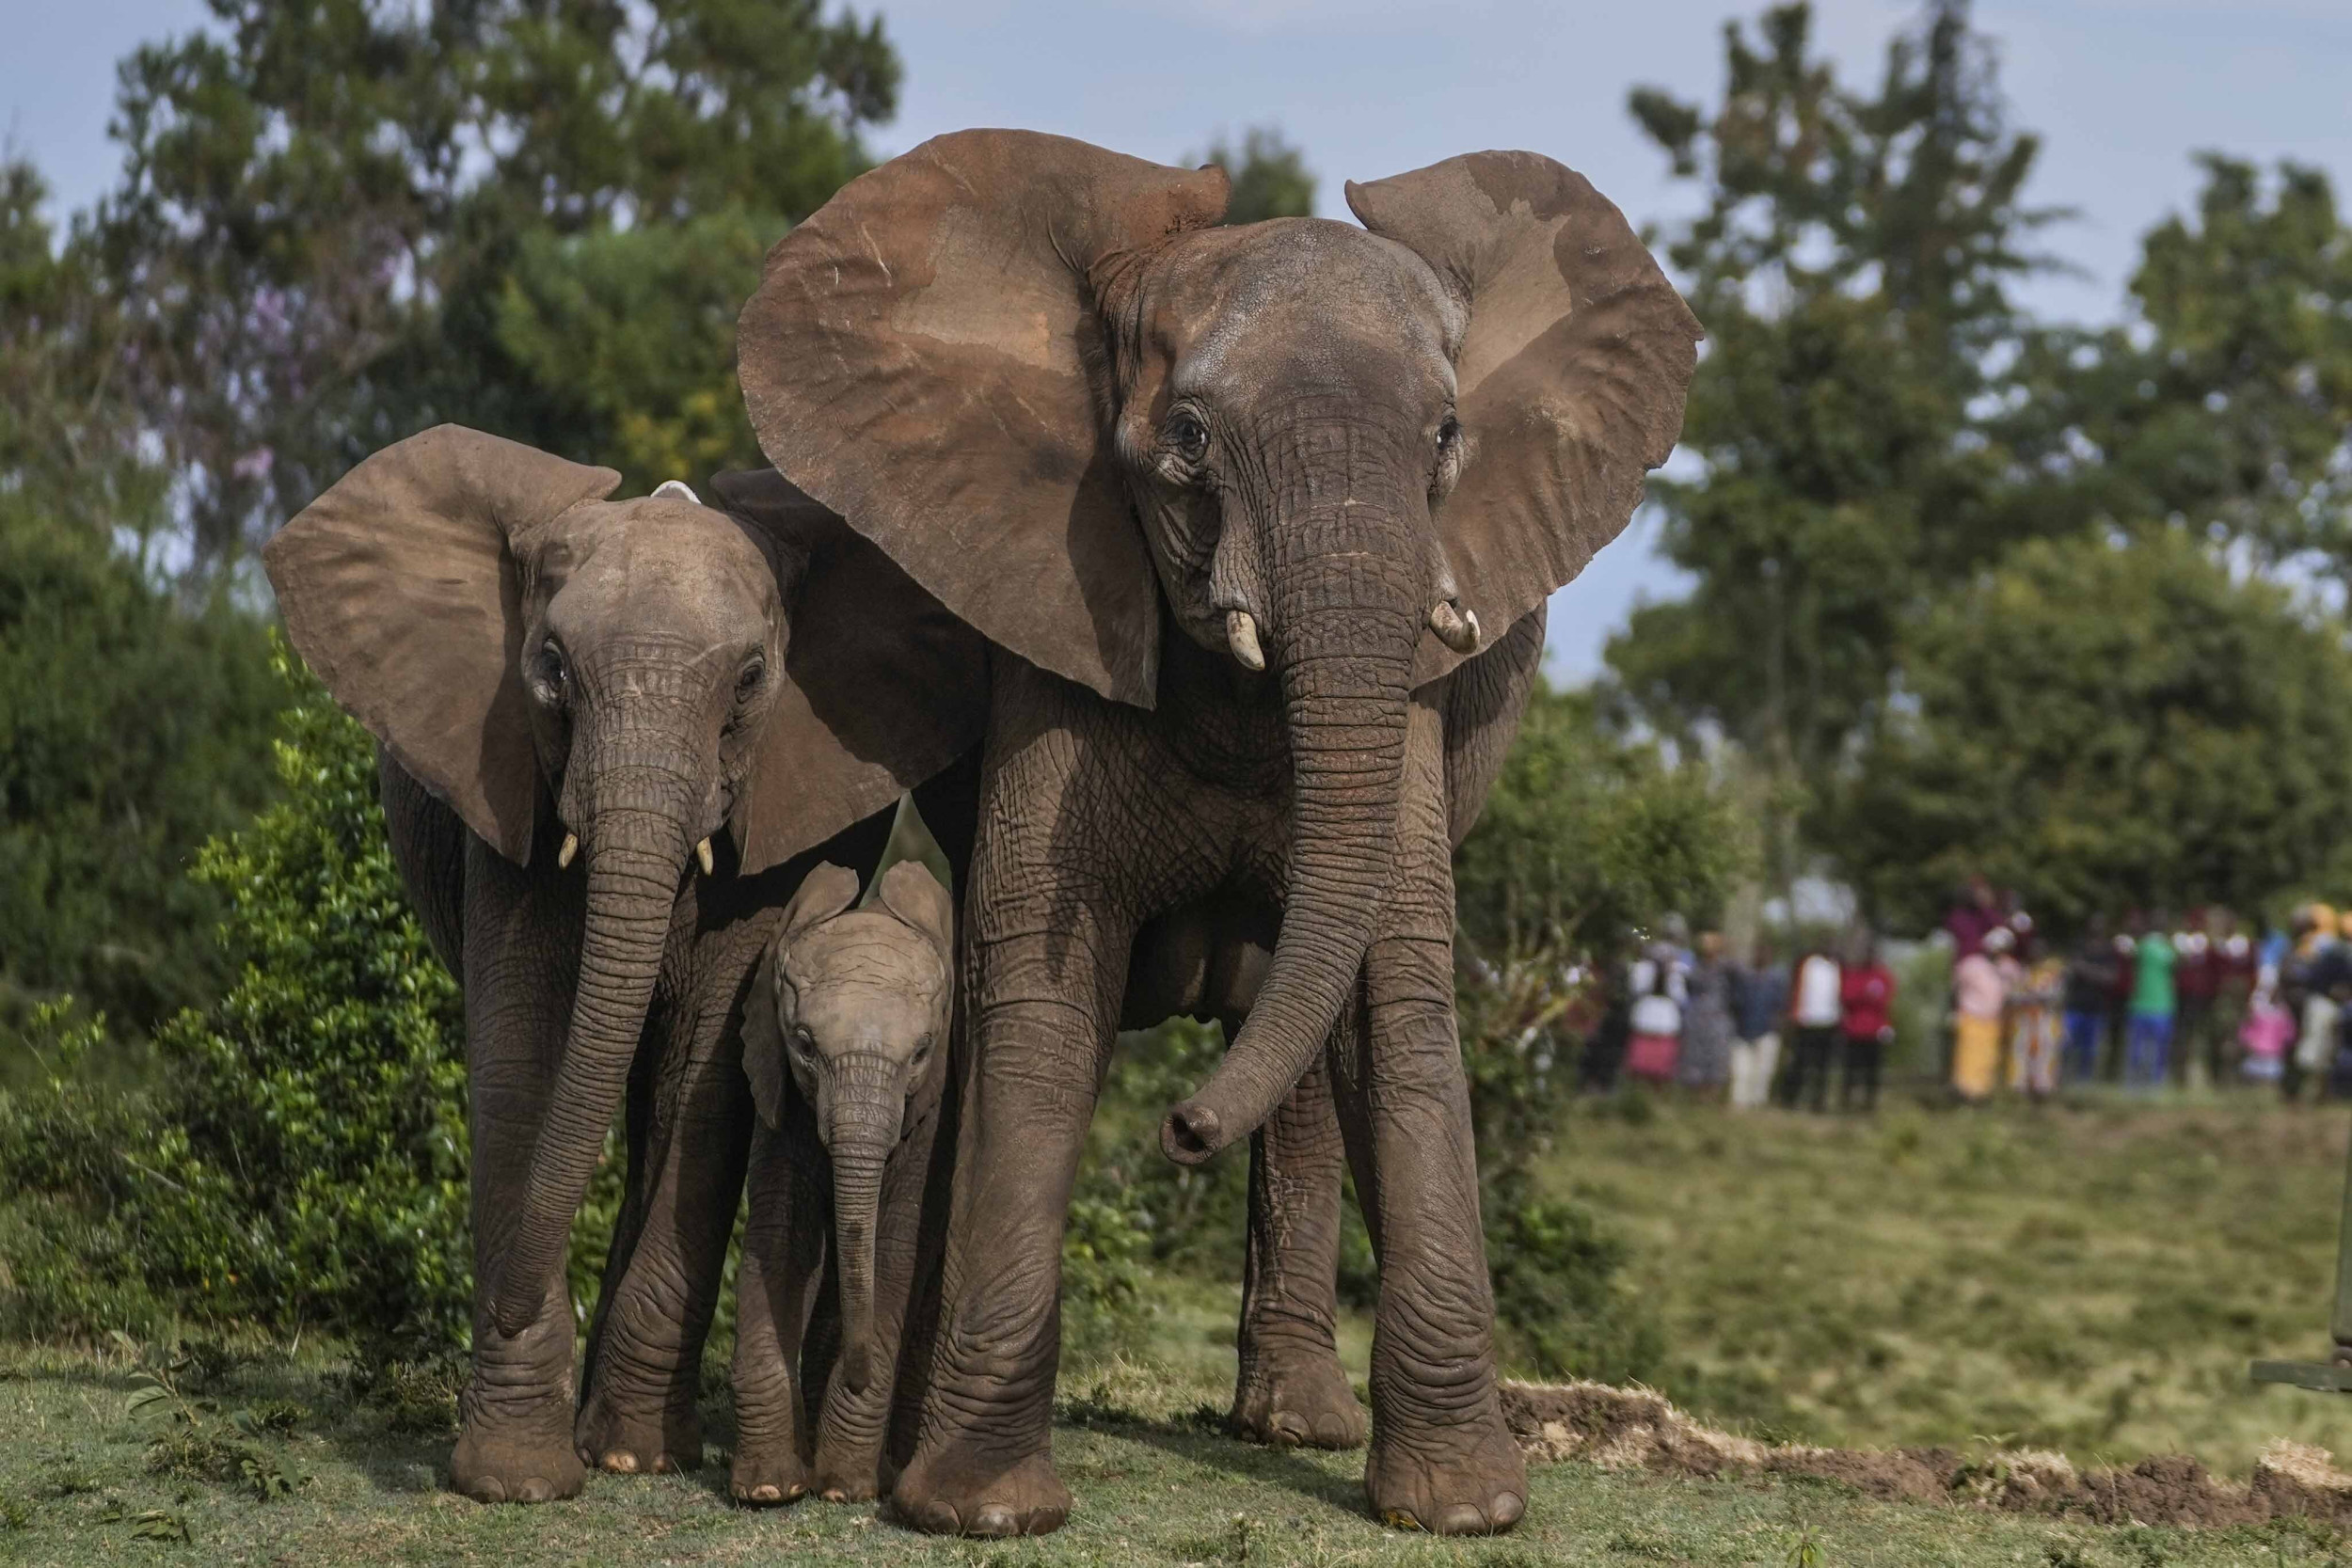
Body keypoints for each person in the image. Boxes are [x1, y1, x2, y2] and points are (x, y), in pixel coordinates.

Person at [1837, 936, 1896, 1112]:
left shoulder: (1883, 976)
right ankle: (1846, 1102)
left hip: (1875, 1032)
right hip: (1854, 1030)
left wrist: (1887, 1025)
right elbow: (1846, 998)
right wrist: (1865, 995)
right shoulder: (1853, 975)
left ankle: (1868, 1104)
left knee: (1872, 1070)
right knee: (1851, 1070)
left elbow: (1885, 1002)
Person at [1951, 926, 2010, 1101]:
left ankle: (1982, 1093)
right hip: (1971, 1016)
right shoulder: (1971, 964)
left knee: (1988, 1057)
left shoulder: (2006, 968)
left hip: (1992, 1019)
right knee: (1968, 1056)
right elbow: (1955, 989)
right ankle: (1965, 1092)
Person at [1730, 938, 1788, 1111]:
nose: (1761, 956)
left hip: (1767, 1030)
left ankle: (1758, 1103)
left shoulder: (1777, 980)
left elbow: (1782, 1005)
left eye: (1765, 953)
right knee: (1741, 1072)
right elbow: (1736, 1002)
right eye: (1758, 952)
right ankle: (1739, 1103)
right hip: (1743, 1031)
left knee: (1763, 1071)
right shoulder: (1744, 978)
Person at [1785, 944, 1844, 1112]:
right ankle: (1790, 1099)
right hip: (1806, 1020)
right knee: (1800, 1062)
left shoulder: (1836, 966)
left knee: (1822, 1066)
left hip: (1828, 1023)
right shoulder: (1808, 963)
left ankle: (1817, 1101)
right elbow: (1796, 988)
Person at [1678, 931, 1737, 1097]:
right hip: (1696, 1017)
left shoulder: (1728, 968)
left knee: (1716, 1058)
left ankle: (1712, 1096)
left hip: (1718, 1018)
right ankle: (1695, 1097)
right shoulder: (1694, 966)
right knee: (1694, 1056)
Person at [2060, 919, 2119, 1085]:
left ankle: (2083, 1082)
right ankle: (2063, 1079)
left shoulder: (2108, 951)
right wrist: (2094, 973)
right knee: (2065, 1045)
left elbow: (2110, 978)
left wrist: (2085, 970)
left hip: (2096, 1008)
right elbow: (2070, 969)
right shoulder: (2079, 946)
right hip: (2074, 1006)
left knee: (2089, 1051)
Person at [1624, 937, 1686, 1085]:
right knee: (1643, 1057)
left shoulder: (1674, 973)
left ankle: (1655, 1086)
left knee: (1660, 1059)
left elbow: (1679, 995)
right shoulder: (1643, 970)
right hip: (1650, 1016)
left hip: (1662, 1018)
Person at [2125, 915, 2179, 1088]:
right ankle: (2136, 1081)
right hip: (2142, 1005)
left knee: (2158, 1049)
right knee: (2137, 1048)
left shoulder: (2167, 947)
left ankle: (2155, 1082)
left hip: (2162, 1005)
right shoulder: (2144, 946)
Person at [2008, 946, 2063, 1099]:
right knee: (2021, 1054)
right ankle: (2020, 1087)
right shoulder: (2022, 974)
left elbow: (2054, 997)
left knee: (2045, 1054)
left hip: (2044, 1021)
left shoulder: (2051, 975)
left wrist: (2035, 996)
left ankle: (2043, 1089)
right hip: (2024, 1021)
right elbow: (2013, 997)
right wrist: (2029, 997)